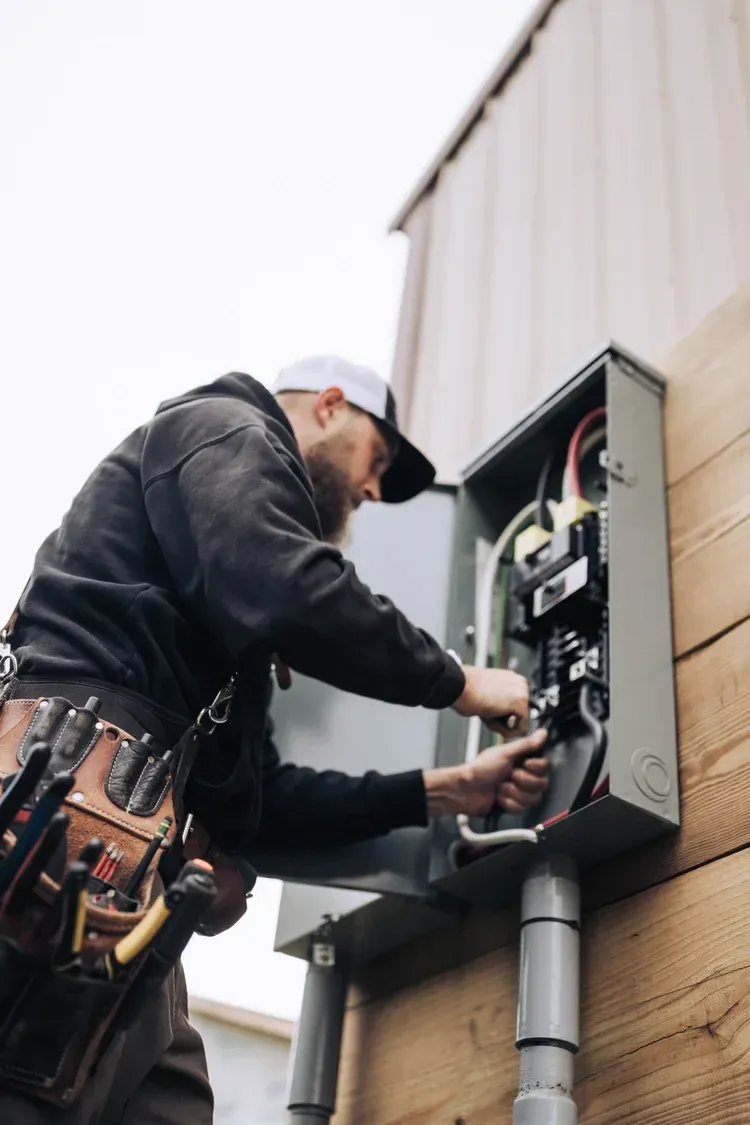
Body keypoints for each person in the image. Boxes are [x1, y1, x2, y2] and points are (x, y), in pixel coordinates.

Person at [1, 355, 549, 1123]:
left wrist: (448, 792)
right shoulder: (225, 423)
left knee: (175, 1095)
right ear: (329, 406)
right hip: (62, 840)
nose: (367, 489)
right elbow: (288, 586)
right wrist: (460, 681)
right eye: (376, 460)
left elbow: (262, 807)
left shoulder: (225, 626)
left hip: (135, 895)